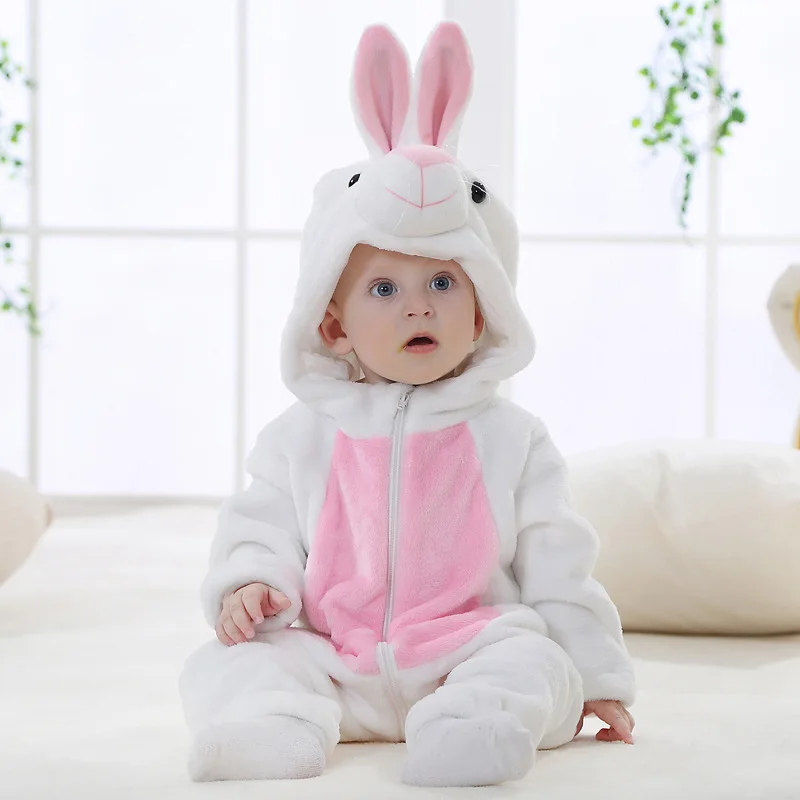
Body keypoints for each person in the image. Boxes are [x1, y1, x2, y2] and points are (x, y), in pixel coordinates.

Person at [179, 21, 636, 788]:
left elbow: (559, 564)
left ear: (483, 310)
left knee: (536, 663)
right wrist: (249, 585)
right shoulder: (300, 437)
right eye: (385, 289)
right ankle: (272, 730)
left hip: (468, 650)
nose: (417, 308)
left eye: (443, 284)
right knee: (226, 662)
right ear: (333, 325)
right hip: (337, 658)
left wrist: (597, 676)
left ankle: (469, 732)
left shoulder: (514, 438)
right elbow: (260, 525)